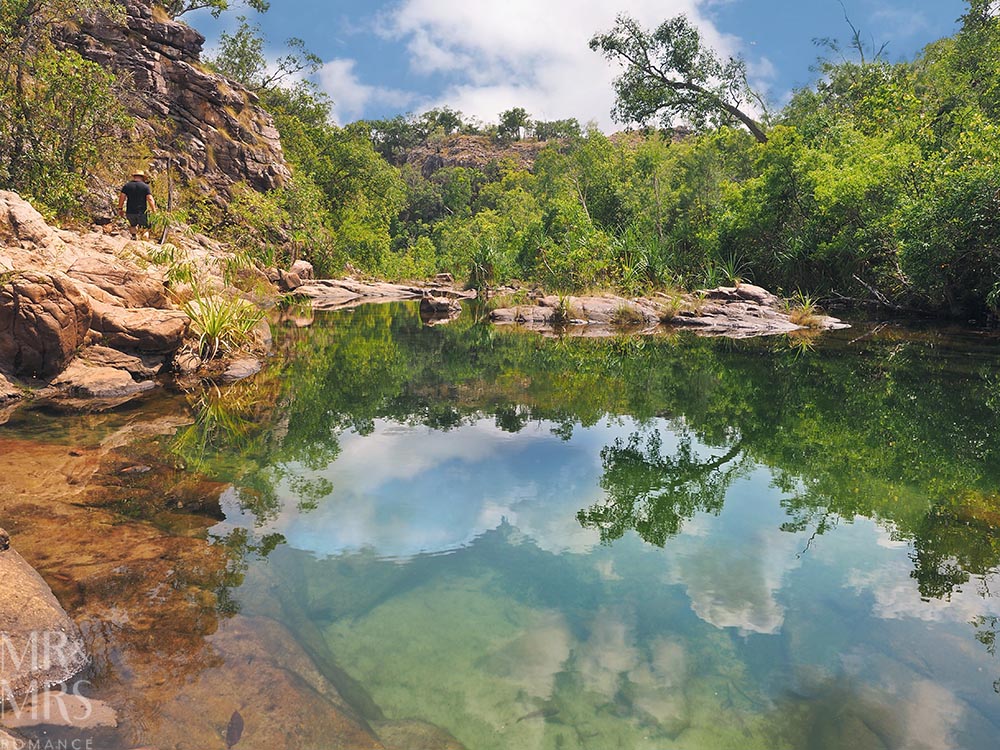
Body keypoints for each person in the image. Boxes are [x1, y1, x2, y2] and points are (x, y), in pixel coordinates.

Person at [117, 170, 156, 239]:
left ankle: (134, 238)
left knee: (133, 225)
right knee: (145, 228)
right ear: (142, 177)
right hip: (142, 212)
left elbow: (122, 197)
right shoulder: (145, 187)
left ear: (134, 176)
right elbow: (150, 199)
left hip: (130, 211)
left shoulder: (127, 186)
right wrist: (154, 210)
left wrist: (120, 208)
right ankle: (144, 241)